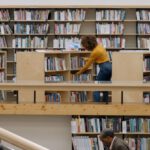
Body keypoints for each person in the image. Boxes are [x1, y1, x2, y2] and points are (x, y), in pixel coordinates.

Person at [76, 35, 112, 102]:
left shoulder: (94, 52)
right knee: (105, 87)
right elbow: (98, 58)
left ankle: (96, 105)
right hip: (109, 66)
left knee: (96, 87)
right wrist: (87, 59)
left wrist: (78, 73)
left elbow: (87, 66)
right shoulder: (100, 47)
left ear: (88, 45)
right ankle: (105, 104)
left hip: (104, 68)